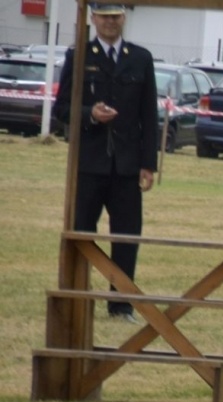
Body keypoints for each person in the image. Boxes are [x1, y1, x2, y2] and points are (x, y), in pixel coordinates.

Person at [53, 0, 158, 324]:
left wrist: (148, 163)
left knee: (127, 236)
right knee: (82, 233)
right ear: (93, 18)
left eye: (116, 17)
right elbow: (62, 109)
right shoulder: (80, 56)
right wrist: (91, 115)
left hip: (126, 166)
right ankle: (77, 299)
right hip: (89, 164)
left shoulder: (140, 58)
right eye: (104, 17)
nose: (110, 23)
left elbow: (148, 115)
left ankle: (121, 304)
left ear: (123, 19)